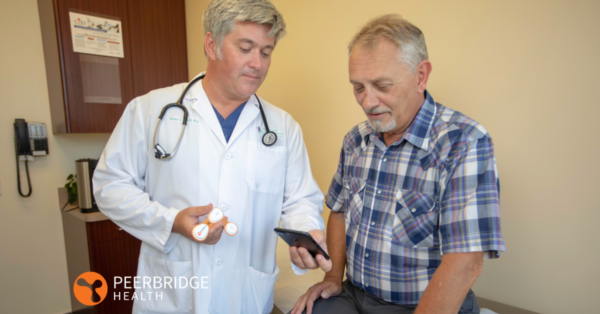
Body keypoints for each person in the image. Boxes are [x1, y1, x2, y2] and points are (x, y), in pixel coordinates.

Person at [93, 0, 331, 313]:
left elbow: (300, 199)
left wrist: (306, 231)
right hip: (173, 293)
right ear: (211, 45)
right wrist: (172, 221)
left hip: (245, 296)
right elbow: (110, 187)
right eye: (245, 48)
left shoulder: (283, 127)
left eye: (266, 51)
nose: (257, 63)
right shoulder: (150, 110)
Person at [291, 14, 505, 314]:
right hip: (354, 293)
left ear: (421, 76)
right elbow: (338, 211)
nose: (367, 102)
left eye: (382, 85)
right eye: (358, 87)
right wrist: (332, 276)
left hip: (419, 304)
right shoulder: (355, 140)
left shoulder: (464, 142)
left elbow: (467, 262)